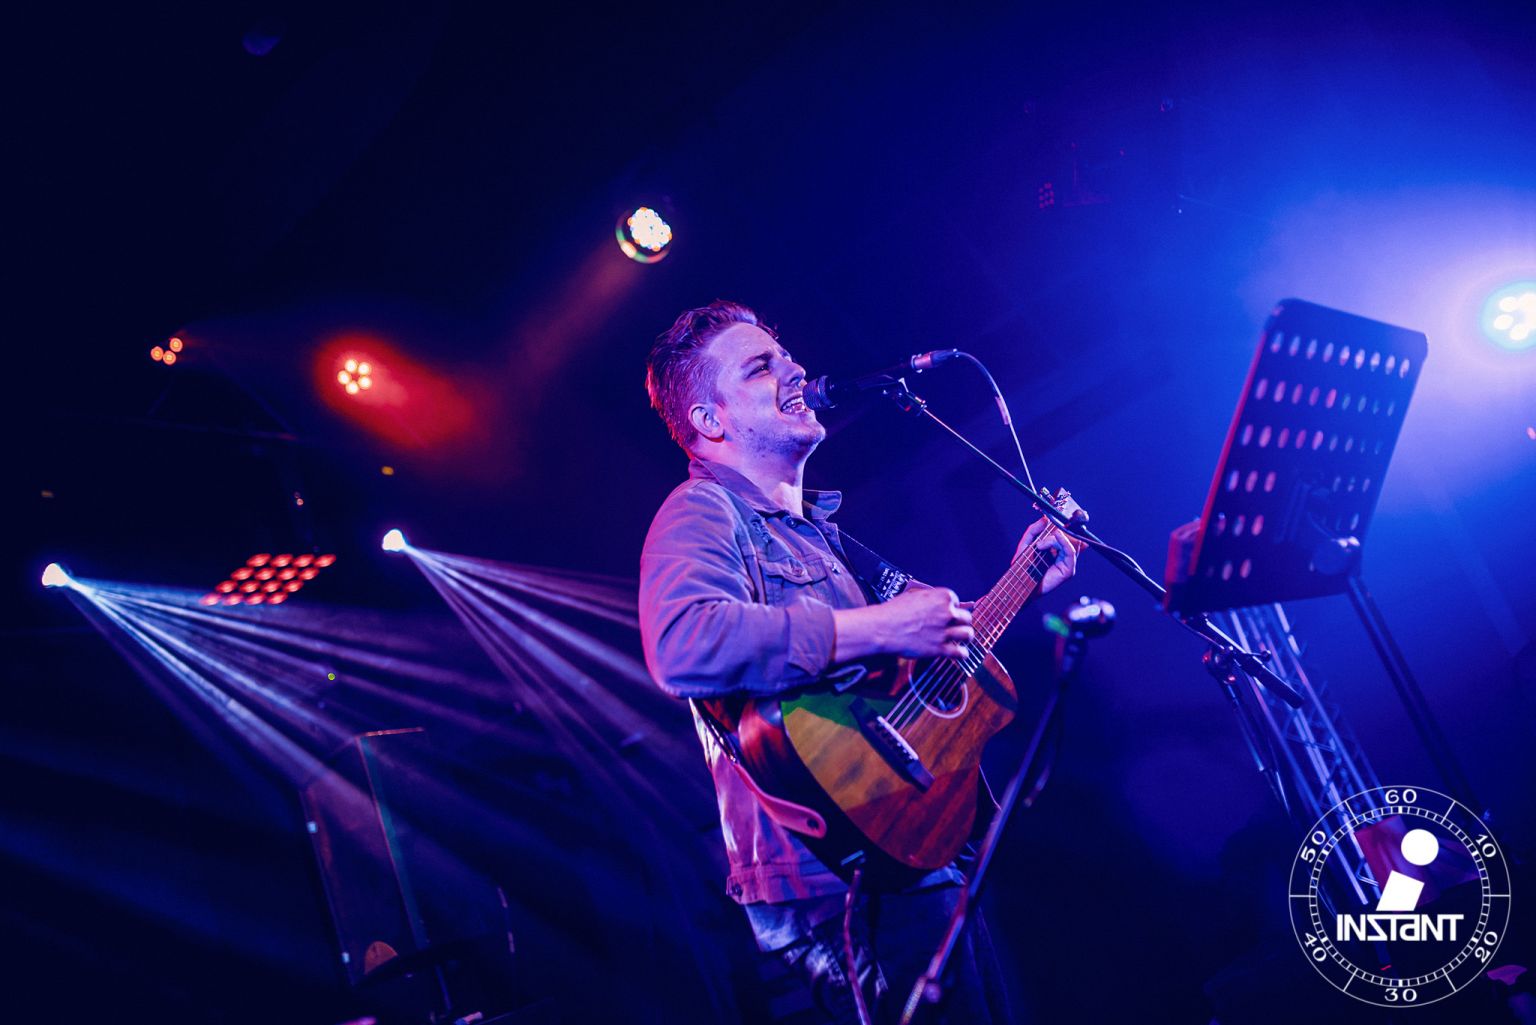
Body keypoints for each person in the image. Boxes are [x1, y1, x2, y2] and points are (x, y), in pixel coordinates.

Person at [638, 300, 1077, 1023]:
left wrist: (1024, 577)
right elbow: (682, 643)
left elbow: (942, 646)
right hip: (836, 873)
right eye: (761, 367)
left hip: (913, 842)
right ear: (710, 420)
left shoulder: (821, 536)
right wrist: (877, 625)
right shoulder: (703, 511)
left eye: (787, 356)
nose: (795, 371)